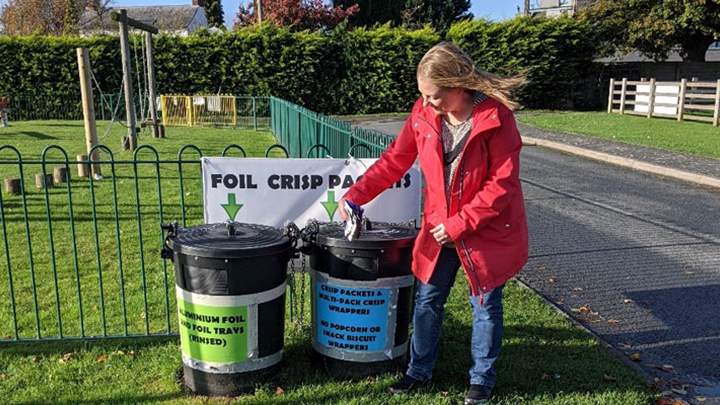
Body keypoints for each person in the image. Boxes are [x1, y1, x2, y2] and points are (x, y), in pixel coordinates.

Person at [339, 42, 529, 405]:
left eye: (435, 96)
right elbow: (395, 160)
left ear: (459, 85)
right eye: (423, 96)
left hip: (485, 232)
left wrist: (460, 224)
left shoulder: (497, 118)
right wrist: (356, 195)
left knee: (486, 305)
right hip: (440, 229)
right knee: (427, 300)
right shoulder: (423, 115)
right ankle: (418, 371)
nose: (427, 105)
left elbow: (502, 186)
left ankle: (481, 383)